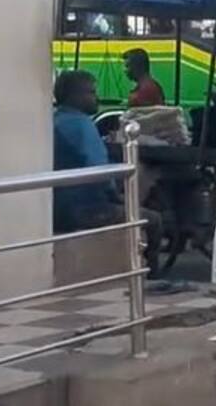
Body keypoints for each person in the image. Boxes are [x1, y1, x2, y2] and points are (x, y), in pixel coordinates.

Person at [53, 70, 163, 276]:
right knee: (153, 220)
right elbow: (101, 172)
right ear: (74, 96)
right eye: (91, 92)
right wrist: (118, 197)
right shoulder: (82, 125)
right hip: (84, 208)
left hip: (56, 207)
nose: (97, 97)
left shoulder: (56, 120)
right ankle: (151, 278)